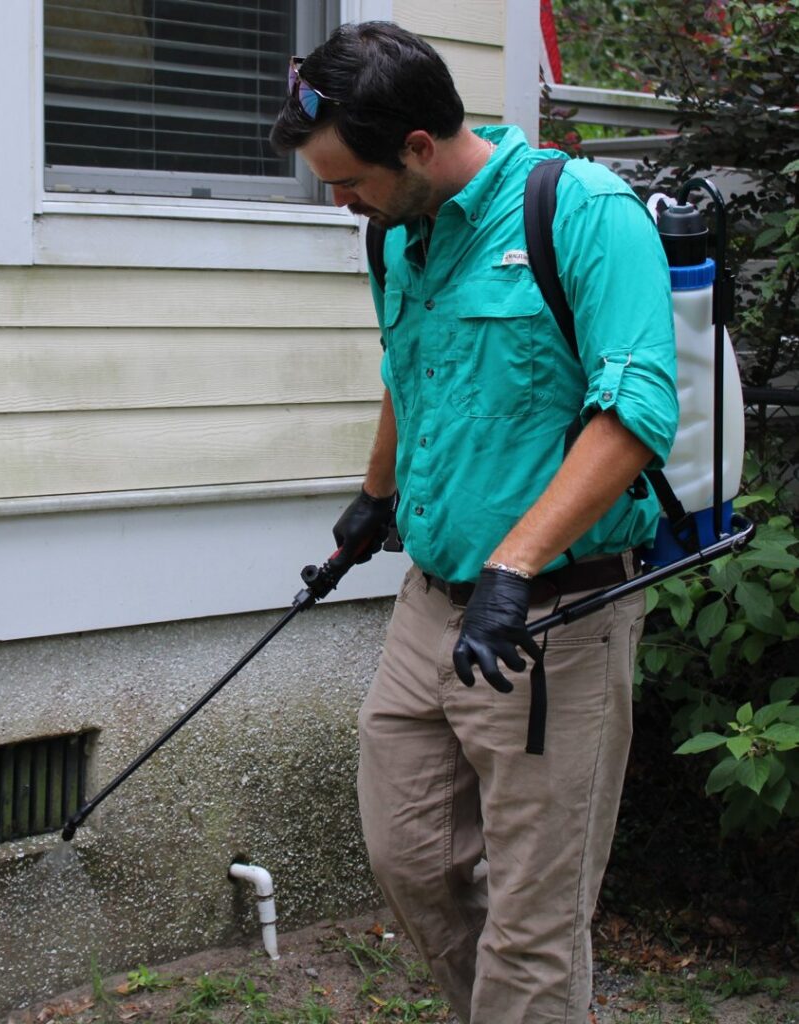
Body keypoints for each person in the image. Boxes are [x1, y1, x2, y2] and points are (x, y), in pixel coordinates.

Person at [271, 22, 679, 1024]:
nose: (340, 200)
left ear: (416, 145)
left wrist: (515, 564)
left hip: (551, 620)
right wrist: (376, 498)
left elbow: (634, 416)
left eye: (348, 178)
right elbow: (406, 372)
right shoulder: (394, 231)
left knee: (535, 917)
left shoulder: (579, 211)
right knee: (408, 855)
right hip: (429, 607)